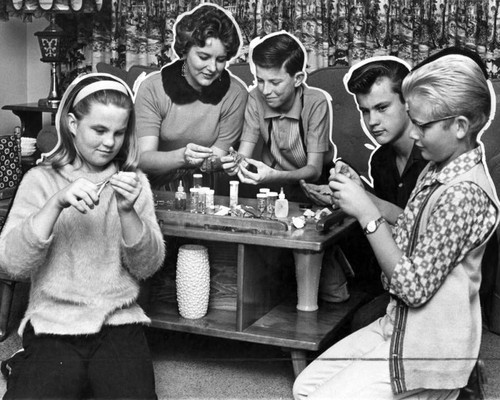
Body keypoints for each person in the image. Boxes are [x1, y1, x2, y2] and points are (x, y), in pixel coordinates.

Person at [293, 52, 499, 399]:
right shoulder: (437, 169)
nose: (414, 133)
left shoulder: (463, 193)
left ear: (461, 126)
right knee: (304, 388)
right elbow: (405, 238)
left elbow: (413, 288)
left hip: (430, 347)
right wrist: (361, 198)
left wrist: (366, 213)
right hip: (400, 324)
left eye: (424, 125)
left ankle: (447, 391)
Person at [0, 73, 166, 399]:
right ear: (73, 123)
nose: (110, 142)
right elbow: (10, 266)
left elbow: (147, 267)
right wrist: (56, 203)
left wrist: (129, 212)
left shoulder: (134, 184)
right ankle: (24, 361)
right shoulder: (39, 180)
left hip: (117, 321)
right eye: (100, 130)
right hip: (54, 322)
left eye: (119, 133)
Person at [300, 57, 428, 326]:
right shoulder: (382, 158)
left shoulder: (432, 155)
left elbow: (418, 229)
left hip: (424, 279)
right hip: (390, 271)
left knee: (355, 324)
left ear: (408, 102)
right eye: (365, 111)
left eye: (382, 108)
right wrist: (348, 193)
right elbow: (386, 225)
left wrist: (362, 197)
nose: (372, 121)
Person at [134, 3, 248, 191]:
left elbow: (217, 158)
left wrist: (223, 162)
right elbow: (143, 158)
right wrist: (182, 157)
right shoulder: (152, 88)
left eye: (221, 60)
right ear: (185, 50)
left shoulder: (236, 94)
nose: (212, 68)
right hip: (154, 183)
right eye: (203, 57)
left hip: (208, 185)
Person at [222, 31, 335, 202]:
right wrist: (236, 163)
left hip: (316, 182)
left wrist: (276, 176)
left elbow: (315, 169)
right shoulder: (255, 97)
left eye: (275, 83)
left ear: (298, 79)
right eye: (260, 80)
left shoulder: (316, 102)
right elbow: (244, 153)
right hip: (274, 181)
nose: (265, 91)